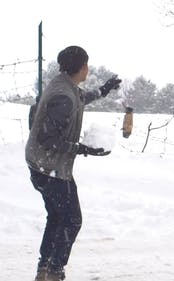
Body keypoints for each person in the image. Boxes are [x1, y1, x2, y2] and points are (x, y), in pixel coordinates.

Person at [25, 46, 121, 281]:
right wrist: (82, 148)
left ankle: (45, 269)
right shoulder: (64, 96)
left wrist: (103, 90)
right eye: (87, 64)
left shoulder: (64, 85)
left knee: (57, 217)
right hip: (50, 169)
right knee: (72, 220)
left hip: (42, 165)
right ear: (82, 66)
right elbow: (47, 138)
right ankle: (54, 272)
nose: (88, 68)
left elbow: (79, 99)